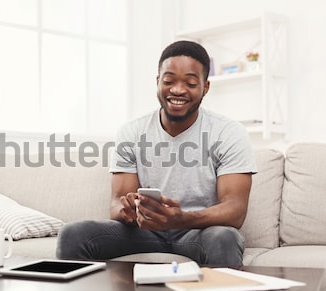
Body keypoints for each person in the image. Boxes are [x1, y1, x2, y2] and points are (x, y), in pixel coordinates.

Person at [56, 40, 257, 267]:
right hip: (145, 232)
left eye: (190, 83)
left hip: (197, 233)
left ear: (205, 87)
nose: (178, 90)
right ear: (158, 82)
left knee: (224, 238)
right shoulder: (132, 132)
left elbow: (235, 211)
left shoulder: (228, 132)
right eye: (169, 81)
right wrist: (128, 210)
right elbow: (115, 205)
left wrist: (181, 219)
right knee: (73, 234)